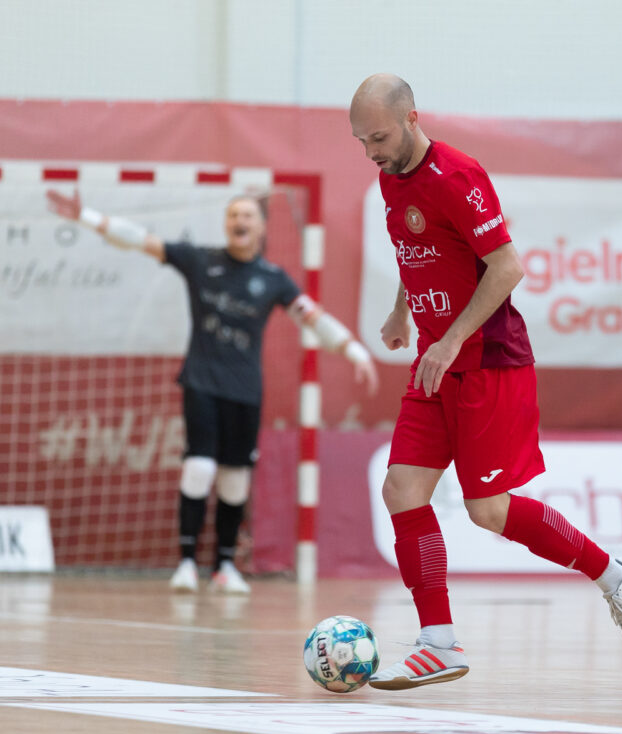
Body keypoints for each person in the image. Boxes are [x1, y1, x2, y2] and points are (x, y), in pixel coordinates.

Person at [348, 74, 622, 690]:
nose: (371, 150)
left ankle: (616, 574)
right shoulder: (390, 177)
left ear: (411, 117)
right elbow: (423, 249)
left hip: (487, 361)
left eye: (378, 136)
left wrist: (453, 337)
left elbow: (506, 267)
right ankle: (438, 642)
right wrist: (403, 309)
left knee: (489, 511)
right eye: (361, 141)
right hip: (436, 359)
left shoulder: (457, 175)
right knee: (402, 488)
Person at [46, 189, 379, 594]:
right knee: (199, 467)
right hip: (202, 380)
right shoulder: (200, 261)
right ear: (227, 224)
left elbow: (313, 318)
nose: (238, 221)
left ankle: (224, 566)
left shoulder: (273, 279)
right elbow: (139, 239)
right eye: (232, 215)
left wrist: (353, 350)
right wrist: (88, 217)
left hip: (245, 391)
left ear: (259, 227)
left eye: (246, 215)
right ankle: (186, 564)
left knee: (235, 478)